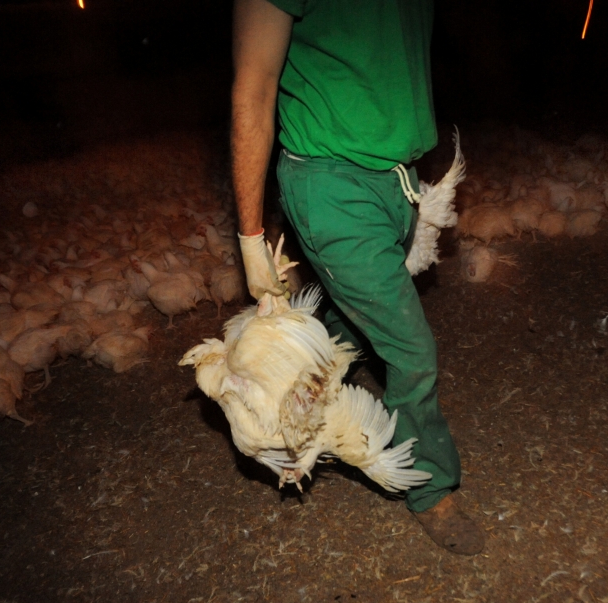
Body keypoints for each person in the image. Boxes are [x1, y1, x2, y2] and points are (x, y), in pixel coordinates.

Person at [230, 0, 486, 555]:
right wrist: (251, 240)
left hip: (397, 178)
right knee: (410, 350)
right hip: (331, 181)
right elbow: (254, 83)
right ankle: (431, 488)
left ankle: (303, 392)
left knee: (350, 314)